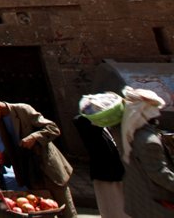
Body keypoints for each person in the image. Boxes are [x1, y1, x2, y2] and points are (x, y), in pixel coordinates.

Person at [0, 92, 76, 218]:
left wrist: (34, 137)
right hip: (30, 172)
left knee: (65, 210)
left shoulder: (22, 110)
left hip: (48, 167)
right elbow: (14, 145)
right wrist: (3, 156)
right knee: (41, 210)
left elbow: (53, 128)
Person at [120, 86, 174, 217]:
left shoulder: (129, 133)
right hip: (154, 203)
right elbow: (159, 173)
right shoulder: (149, 141)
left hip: (139, 198)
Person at [73, 114, 128, 218]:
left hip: (117, 173)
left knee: (122, 209)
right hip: (105, 175)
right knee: (112, 209)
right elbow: (78, 119)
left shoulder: (106, 128)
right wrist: (95, 114)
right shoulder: (90, 128)